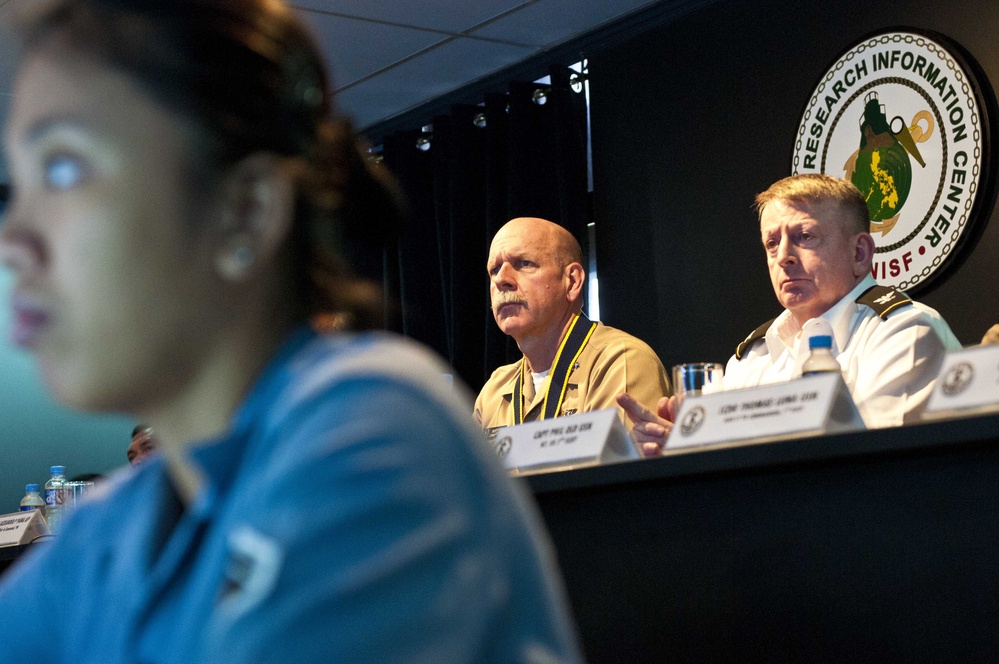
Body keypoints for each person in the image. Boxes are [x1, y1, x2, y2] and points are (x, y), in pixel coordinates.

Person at [0, 2, 582, 662]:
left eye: (65, 169)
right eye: (14, 186)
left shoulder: (375, 435)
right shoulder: (121, 526)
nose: (14, 239)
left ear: (246, 212)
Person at [619, 174, 961, 455]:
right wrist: (679, 451)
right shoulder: (753, 357)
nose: (783, 256)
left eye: (805, 237)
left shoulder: (904, 332)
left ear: (860, 253)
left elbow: (875, 468)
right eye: (771, 243)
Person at [475, 216, 670, 428]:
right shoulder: (494, 391)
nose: (501, 280)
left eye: (524, 264)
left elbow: (618, 460)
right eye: (494, 270)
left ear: (572, 282)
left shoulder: (619, 361)